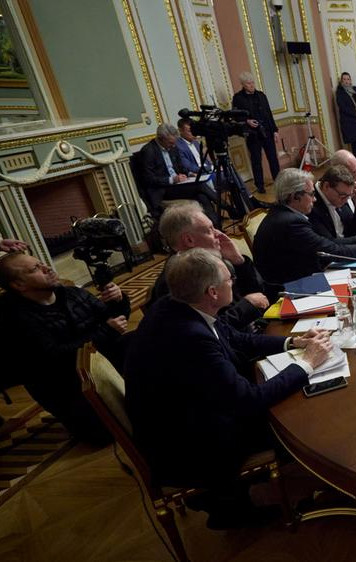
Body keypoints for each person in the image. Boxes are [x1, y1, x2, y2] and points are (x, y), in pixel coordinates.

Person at [125, 248, 334, 528]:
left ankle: (300, 476)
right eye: (229, 279)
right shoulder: (189, 337)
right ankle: (243, 502)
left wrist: (294, 343)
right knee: (301, 416)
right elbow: (248, 401)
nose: (233, 283)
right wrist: (307, 363)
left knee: (297, 401)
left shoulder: (176, 304)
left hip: (190, 412)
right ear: (212, 292)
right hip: (191, 445)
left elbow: (236, 338)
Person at [0, 253, 129, 444]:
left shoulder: (72, 294)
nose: (47, 268)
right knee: (109, 434)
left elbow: (114, 322)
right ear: (19, 285)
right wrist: (106, 332)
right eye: (35, 269)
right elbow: (56, 358)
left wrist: (118, 300)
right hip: (67, 387)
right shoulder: (14, 319)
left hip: (102, 367)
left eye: (41, 263)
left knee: (138, 343)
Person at [251, 169, 356, 289]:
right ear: (295, 197)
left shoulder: (283, 214)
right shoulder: (291, 223)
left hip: (302, 276)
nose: (314, 199)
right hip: (291, 288)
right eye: (311, 194)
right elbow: (330, 250)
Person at [148, 203, 269, 330]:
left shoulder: (214, 259)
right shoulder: (176, 281)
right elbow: (210, 330)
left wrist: (239, 262)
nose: (219, 234)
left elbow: (260, 292)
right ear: (189, 240)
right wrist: (246, 306)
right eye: (210, 230)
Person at [138, 124, 220, 227]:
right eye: (170, 143)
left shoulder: (173, 147)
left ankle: (216, 226)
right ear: (161, 139)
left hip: (178, 185)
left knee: (202, 196)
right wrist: (171, 180)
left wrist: (189, 174)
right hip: (163, 189)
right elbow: (148, 179)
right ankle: (224, 205)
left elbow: (180, 167)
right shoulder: (148, 151)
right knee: (199, 185)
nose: (173, 146)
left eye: (174, 143)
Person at [231, 72, 280, 193]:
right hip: (253, 134)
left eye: (252, 82)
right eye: (248, 83)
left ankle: (279, 182)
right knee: (256, 160)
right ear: (243, 84)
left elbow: (269, 114)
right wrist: (247, 121)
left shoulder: (261, 95)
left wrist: (275, 131)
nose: (252, 85)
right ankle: (260, 185)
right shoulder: (238, 98)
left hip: (267, 131)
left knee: (273, 158)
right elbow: (235, 116)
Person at [176, 118, 214, 186]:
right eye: (190, 131)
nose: (194, 133)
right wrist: (210, 168)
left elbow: (204, 159)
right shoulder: (178, 146)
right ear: (181, 131)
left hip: (207, 170)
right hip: (197, 174)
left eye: (194, 130)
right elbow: (189, 167)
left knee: (228, 173)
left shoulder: (195, 142)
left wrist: (212, 166)